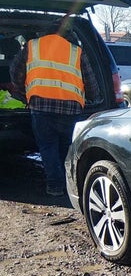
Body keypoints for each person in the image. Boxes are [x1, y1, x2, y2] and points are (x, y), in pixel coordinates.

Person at [11, 18, 102, 196]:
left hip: (41, 107)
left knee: (47, 147)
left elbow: (15, 72)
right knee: (68, 147)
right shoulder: (76, 51)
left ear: (44, 33)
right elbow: (90, 82)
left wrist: (23, 92)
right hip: (71, 109)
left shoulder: (32, 46)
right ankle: (72, 186)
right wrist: (94, 98)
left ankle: (55, 186)